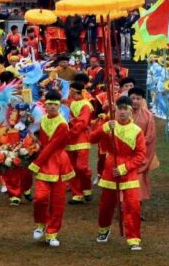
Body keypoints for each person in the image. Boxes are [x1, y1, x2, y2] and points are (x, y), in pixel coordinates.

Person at [91, 96, 148, 250]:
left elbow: (140, 155)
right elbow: (91, 139)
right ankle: (103, 230)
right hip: (110, 169)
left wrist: (125, 168)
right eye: (120, 108)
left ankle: (134, 238)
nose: (122, 112)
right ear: (115, 109)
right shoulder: (108, 125)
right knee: (106, 205)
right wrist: (103, 129)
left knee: (133, 206)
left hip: (128, 173)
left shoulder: (136, 131)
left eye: (126, 109)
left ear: (131, 111)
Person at [28, 90, 73, 247]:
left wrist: (36, 163)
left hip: (59, 163)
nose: (52, 107)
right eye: (49, 104)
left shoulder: (62, 124)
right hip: (45, 162)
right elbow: (43, 144)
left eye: (55, 104)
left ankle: (52, 232)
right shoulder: (43, 120)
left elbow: (52, 146)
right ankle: (41, 223)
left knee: (57, 201)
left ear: (59, 105)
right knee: (40, 198)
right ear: (45, 105)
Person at [66, 82, 94, 204]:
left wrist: (70, 129)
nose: (69, 93)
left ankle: (87, 188)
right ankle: (77, 193)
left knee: (81, 167)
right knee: (72, 168)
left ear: (75, 91)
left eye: (70, 90)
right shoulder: (71, 103)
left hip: (81, 138)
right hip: (71, 138)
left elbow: (82, 123)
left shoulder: (86, 105)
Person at [129, 87, 157, 211]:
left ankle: (136, 209)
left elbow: (150, 135)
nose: (135, 101)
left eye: (138, 99)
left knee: (138, 182)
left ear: (142, 100)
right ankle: (125, 207)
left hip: (140, 154)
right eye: (133, 98)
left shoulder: (148, 116)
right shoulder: (122, 112)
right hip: (125, 155)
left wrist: (138, 145)